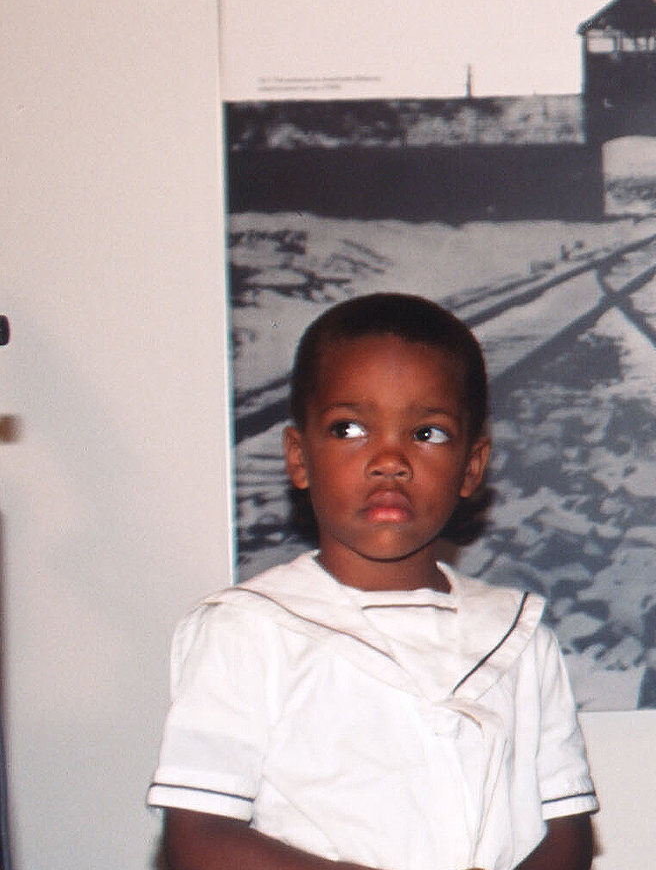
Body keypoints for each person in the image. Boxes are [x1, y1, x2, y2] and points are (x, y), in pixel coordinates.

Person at [149, 293, 597, 870]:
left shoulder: (519, 633)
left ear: (473, 466)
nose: (390, 459)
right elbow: (199, 838)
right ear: (299, 458)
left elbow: (566, 832)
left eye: (427, 434)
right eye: (350, 428)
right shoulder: (247, 628)